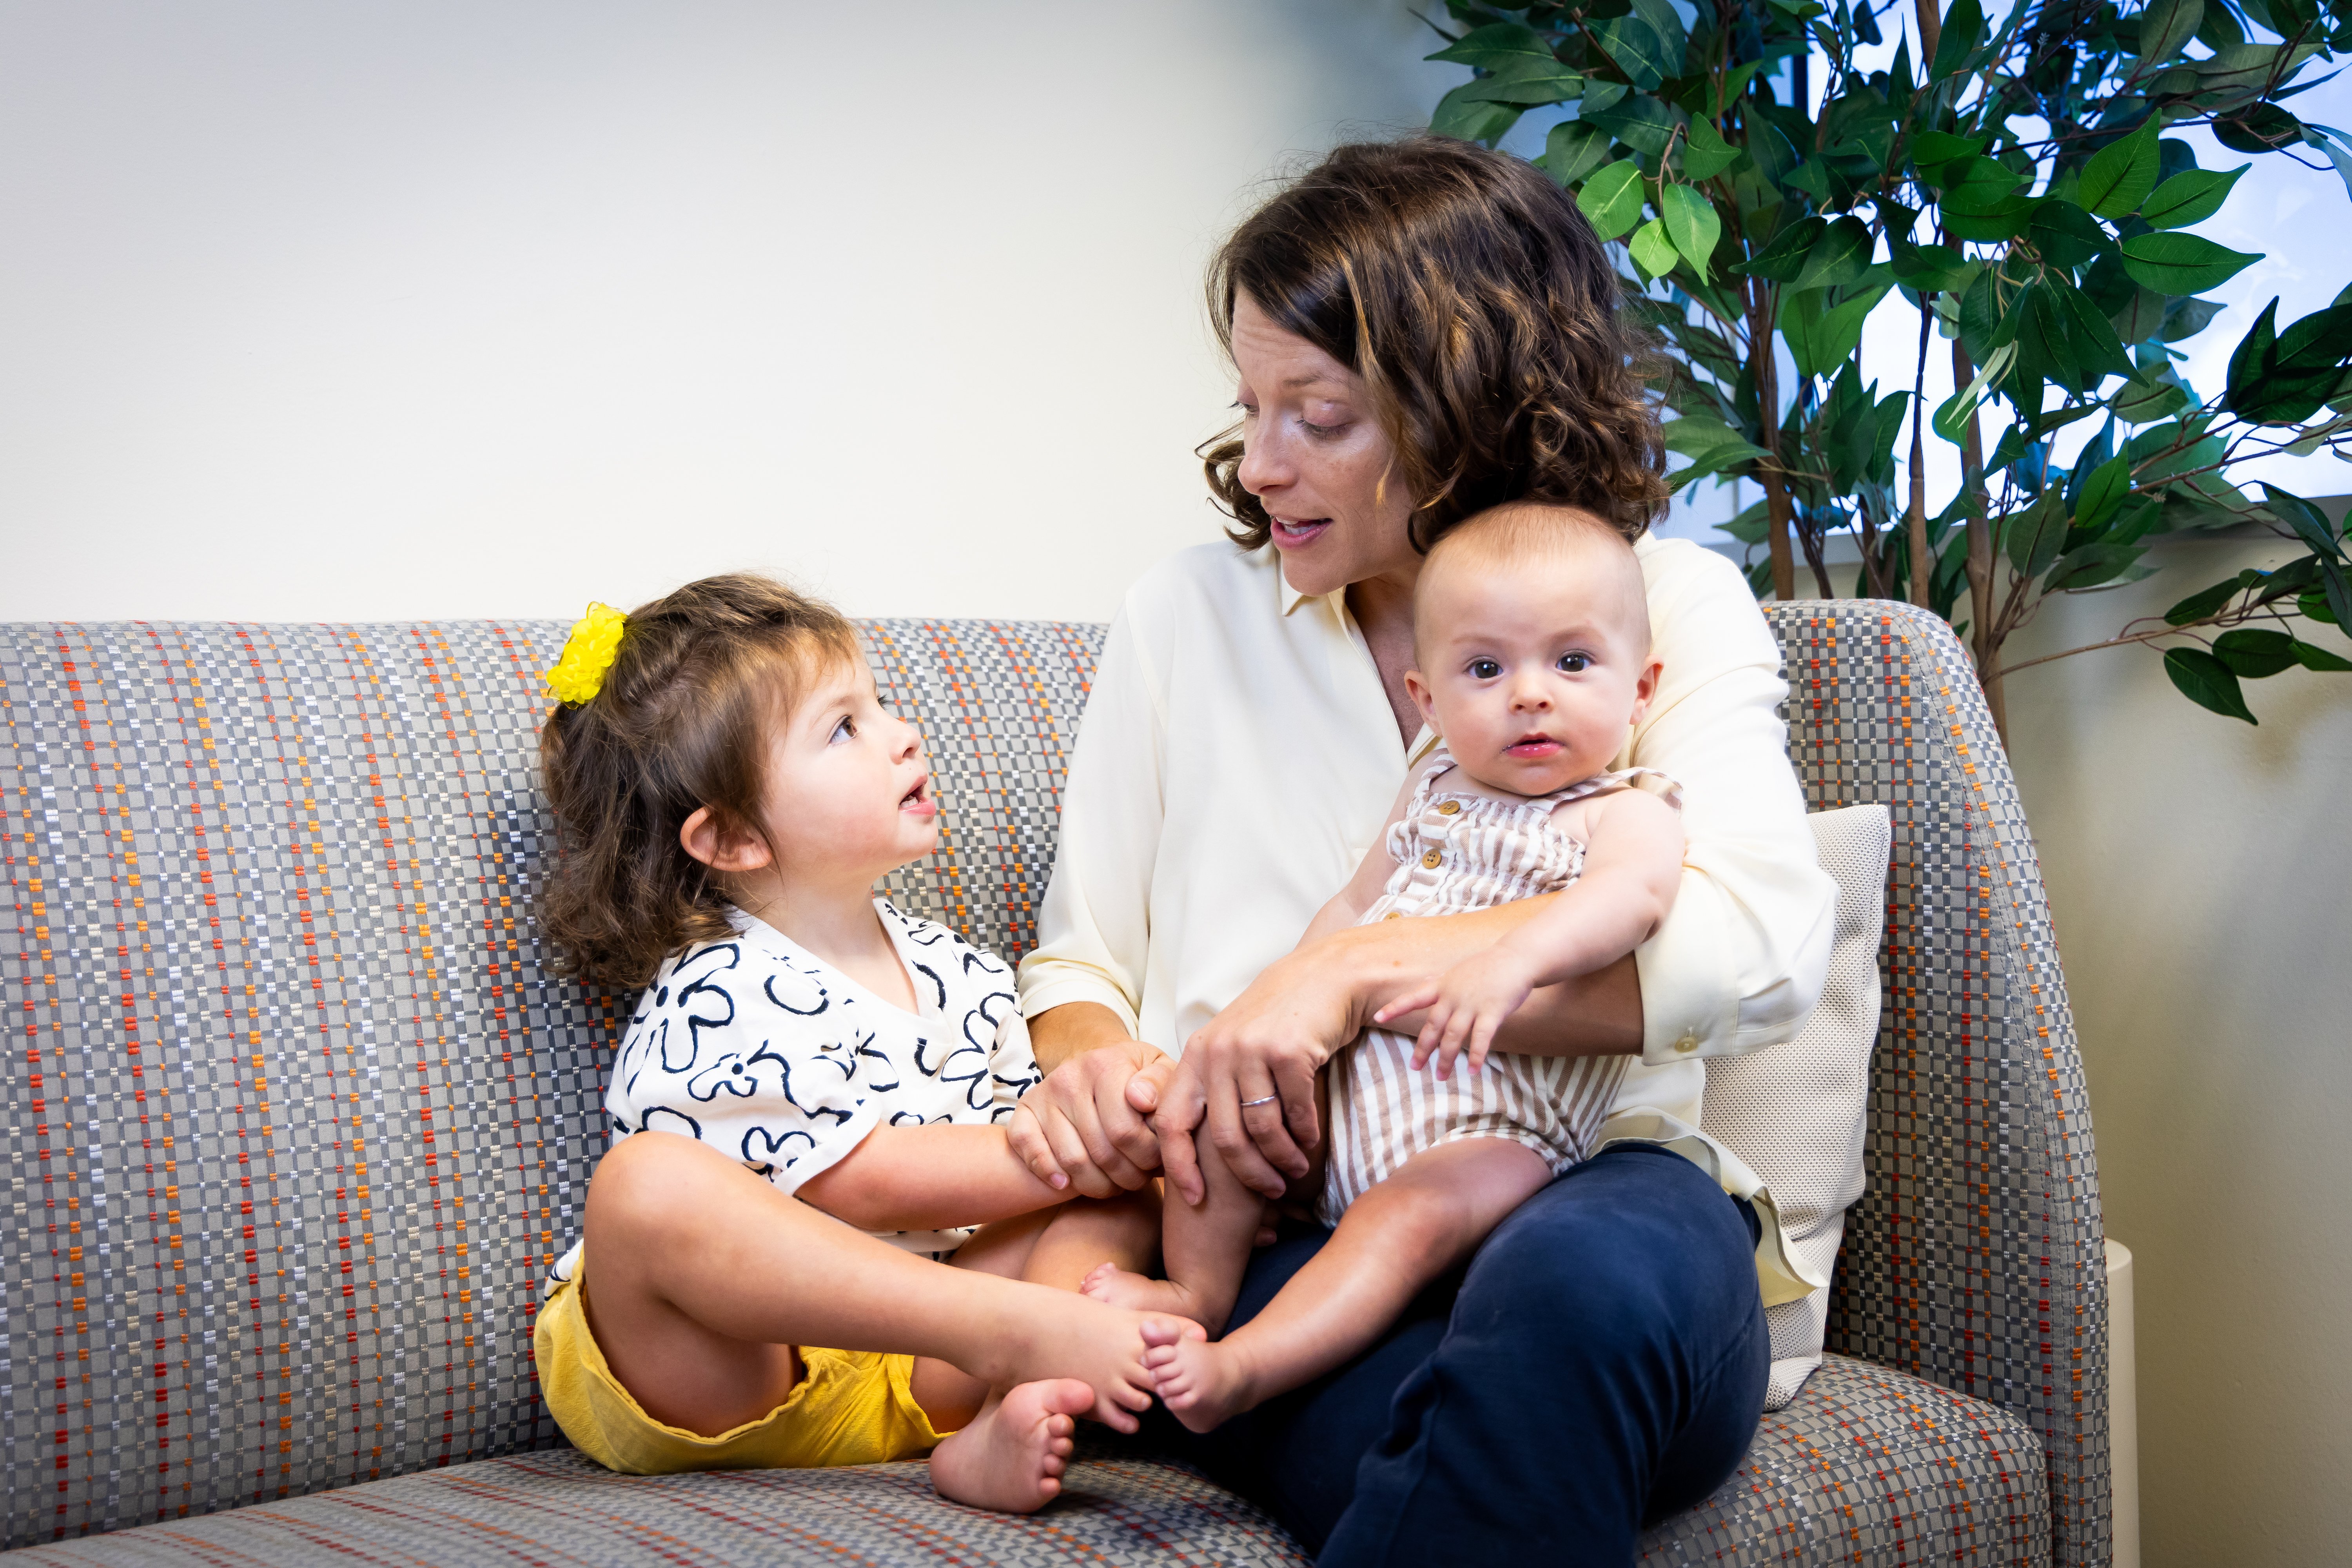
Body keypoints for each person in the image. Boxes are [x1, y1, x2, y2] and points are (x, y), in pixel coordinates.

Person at [1011, 137, 1837, 1562]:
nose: (1262, 464)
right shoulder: (1184, 619)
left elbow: (1760, 943)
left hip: (1590, 1198)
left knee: (1571, 1301)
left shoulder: (1654, 606)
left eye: (1317, 414)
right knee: (1443, 1434)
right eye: (1252, 406)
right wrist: (1100, 1066)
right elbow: (1084, 957)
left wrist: (1346, 977)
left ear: (1464, 404)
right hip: (1293, 1240)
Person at [530, 575, 1200, 1514]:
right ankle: (1033, 1331)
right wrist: (1067, 1154)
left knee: (1120, 1179)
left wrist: (1103, 1124)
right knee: (642, 1186)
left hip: (927, 1367)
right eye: (844, 727)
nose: (902, 732)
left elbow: (1034, 1132)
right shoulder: (716, 986)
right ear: (729, 836)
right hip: (734, 1370)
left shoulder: (960, 970)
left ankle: (1012, 1411)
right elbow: (857, 1180)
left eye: (878, 704)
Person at [1080, 503, 1687, 1433]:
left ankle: (1243, 1365)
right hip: (1355, 1095)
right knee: (1217, 1117)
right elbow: (1354, 912)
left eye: (1573, 662)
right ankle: (1197, 1295)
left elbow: (1627, 903)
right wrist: (1275, 1011)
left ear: (1640, 689)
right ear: (1429, 698)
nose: (1530, 693)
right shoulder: (1432, 786)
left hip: (1496, 1131)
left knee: (1398, 1222)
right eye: (1485, 669)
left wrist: (1512, 958)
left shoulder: (1626, 811)